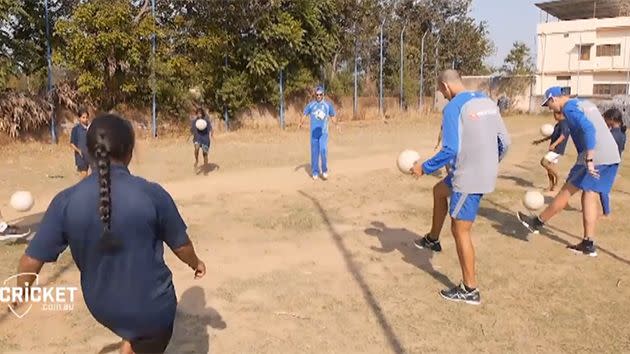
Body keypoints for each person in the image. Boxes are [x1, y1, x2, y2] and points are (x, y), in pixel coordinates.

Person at [15, 114, 206, 354]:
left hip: (101, 306)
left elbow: (30, 260)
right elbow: (181, 246)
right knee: (154, 330)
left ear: (87, 151)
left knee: (136, 333)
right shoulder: (152, 194)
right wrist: (196, 263)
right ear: (129, 151)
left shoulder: (65, 200)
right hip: (150, 308)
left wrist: (20, 291)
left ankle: (130, 342)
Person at [411, 70, 511, 305]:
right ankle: (433, 239)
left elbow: (450, 150)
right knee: (439, 191)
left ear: (445, 86)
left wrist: (423, 168)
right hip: (472, 171)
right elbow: (505, 142)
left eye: (440, 91)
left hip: (469, 176)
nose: (442, 95)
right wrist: (490, 162)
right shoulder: (486, 101)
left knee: (460, 230)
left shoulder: (453, 107)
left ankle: (470, 288)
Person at [517, 87, 621, 257]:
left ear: (555, 98)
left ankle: (537, 222)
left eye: (549, 103)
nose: (549, 108)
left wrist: (589, 158)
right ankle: (588, 243)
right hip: (611, 155)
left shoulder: (569, 108)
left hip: (595, 155)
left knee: (567, 190)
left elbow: (589, 129)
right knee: (589, 192)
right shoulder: (585, 103)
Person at [299, 85, 339, 180]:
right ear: (315, 95)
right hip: (313, 134)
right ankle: (315, 172)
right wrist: (301, 122)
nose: (319, 96)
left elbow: (333, 116)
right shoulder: (311, 105)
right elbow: (305, 113)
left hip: (323, 133)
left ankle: (324, 170)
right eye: (317, 95)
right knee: (314, 153)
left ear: (323, 95)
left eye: (320, 94)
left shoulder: (327, 105)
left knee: (323, 150)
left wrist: (336, 124)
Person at [532, 111, 571, 191]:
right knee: (549, 167)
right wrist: (540, 141)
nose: (554, 116)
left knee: (544, 162)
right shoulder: (558, 124)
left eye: (555, 114)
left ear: (560, 114)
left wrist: (554, 144)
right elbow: (552, 135)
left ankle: (558, 177)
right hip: (555, 148)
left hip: (557, 149)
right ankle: (551, 185)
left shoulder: (564, 123)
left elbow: (563, 136)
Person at [599, 108, 626, 216]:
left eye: (605, 119)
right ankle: (606, 212)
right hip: (614, 162)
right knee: (601, 187)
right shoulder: (622, 133)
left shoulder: (612, 134)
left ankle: (606, 212)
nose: (604, 122)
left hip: (608, 162)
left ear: (611, 120)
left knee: (602, 188)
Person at [70, 107, 91, 179]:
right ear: (79, 118)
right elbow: (72, 143)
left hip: (89, 155)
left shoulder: (90, 128)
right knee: (84, 174)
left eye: (86, 117)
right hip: (81, 155)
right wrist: (78, 151)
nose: (85, 119)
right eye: (83, 117)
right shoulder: (76, 129)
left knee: (87, 175)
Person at [191, 107, 213, 172]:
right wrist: (191, 132)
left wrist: (212, 133)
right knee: (196, 148)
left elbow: (210, 129)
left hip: (205, 139)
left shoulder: (206, 121)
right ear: (196, 114)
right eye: (198, 113)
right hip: (197, 138)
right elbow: (192, 129)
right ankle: (196, 160)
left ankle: (206, 168)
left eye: (200, 113)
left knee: (205, 153)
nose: (199, 115)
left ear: (202, 114)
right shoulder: (194, 122)